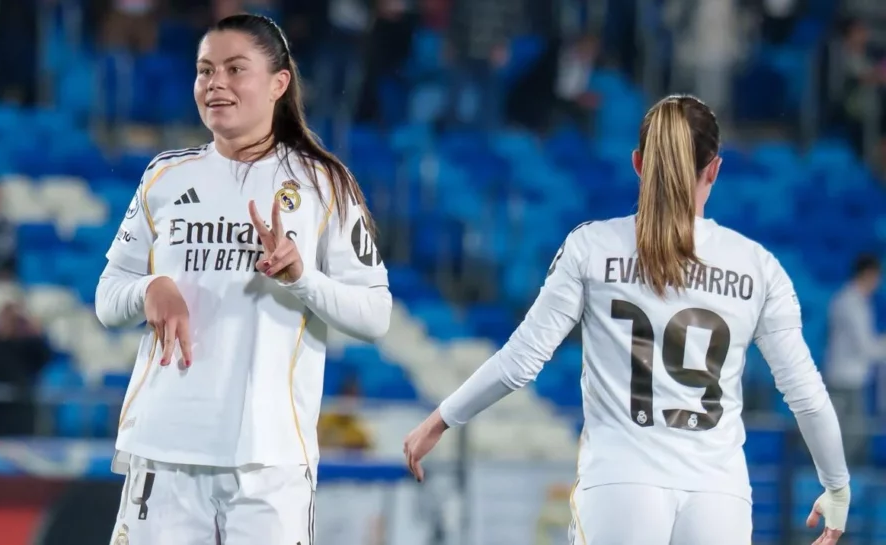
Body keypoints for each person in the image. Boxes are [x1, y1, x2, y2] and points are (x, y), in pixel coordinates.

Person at [402, 95, 851, 545]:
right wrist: (836, 486)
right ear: (713, 169)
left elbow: (521, 361)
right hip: (720, 495)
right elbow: (807, 395)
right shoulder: (758, 266)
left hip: (620, 482)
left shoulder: (592, 247)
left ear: (638, 163)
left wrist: (440, 420)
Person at [94, 13, 392, 545]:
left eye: (235, 69)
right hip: (165, 448)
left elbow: (375, 315)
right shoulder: (165, 177)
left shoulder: (324, 183)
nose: (216, 84)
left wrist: (301, 277)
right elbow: (108, 297)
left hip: (269, 460)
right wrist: (149, 289)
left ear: (279, 83)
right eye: (205, 70)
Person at [825, 253, 886, 461]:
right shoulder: (850, 303)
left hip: (850, 377)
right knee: (852, 435)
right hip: (846, 379)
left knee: (852, 434)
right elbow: (865, 347)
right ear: (869, 274)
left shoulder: (853, 301)